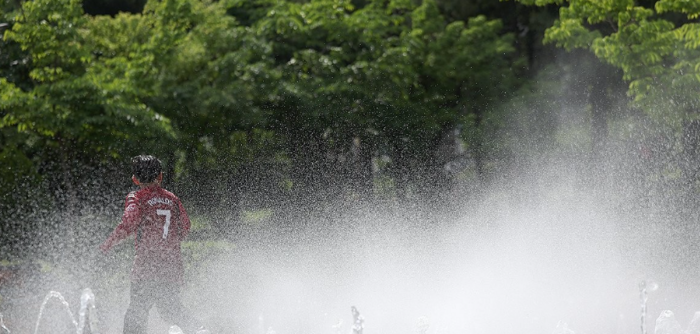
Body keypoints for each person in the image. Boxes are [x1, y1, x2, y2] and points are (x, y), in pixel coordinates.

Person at [100, 155, 204, 334]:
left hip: (146, 266)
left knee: (136, 313)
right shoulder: (172, 199)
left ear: (135, 179)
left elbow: (129, 223)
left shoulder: (137, 197)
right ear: (161, 176)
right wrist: (170, 243)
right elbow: (185, 226)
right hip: (171, 266)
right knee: (171, 310)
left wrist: (108, 244)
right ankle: (201, 330)